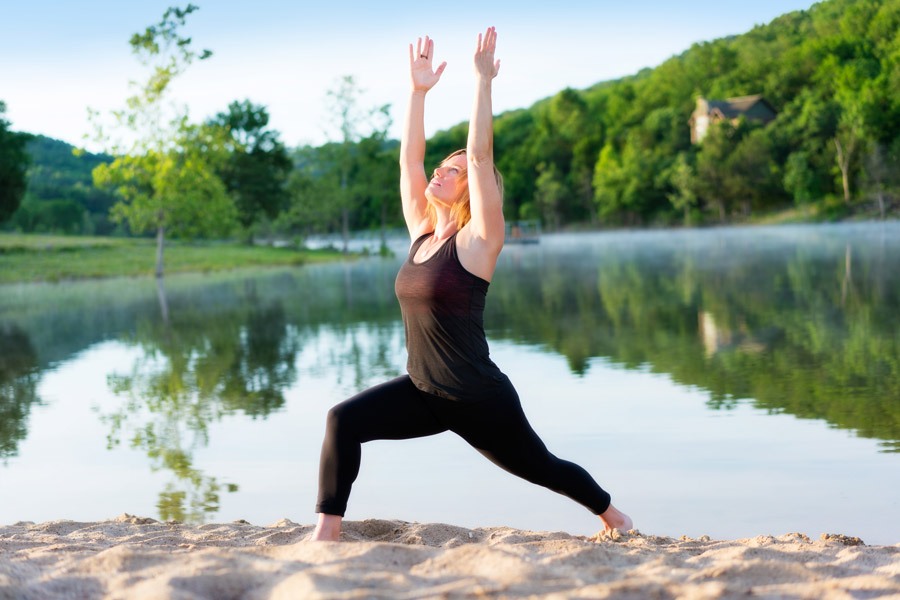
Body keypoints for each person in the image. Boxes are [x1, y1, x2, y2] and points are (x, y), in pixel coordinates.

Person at [310, 27, 632, 542]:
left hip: (478, 397)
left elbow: (480, 156)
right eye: (441, 167)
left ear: (470, 191)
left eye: (451, 171)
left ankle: (615, 517)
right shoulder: (420, 233)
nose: (439, 172)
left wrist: (483, 82)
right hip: (422, 389)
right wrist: (417, 94)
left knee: (542, 467)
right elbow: (408, 161)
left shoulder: (479, 243)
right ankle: (327, 532)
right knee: (342, 420)